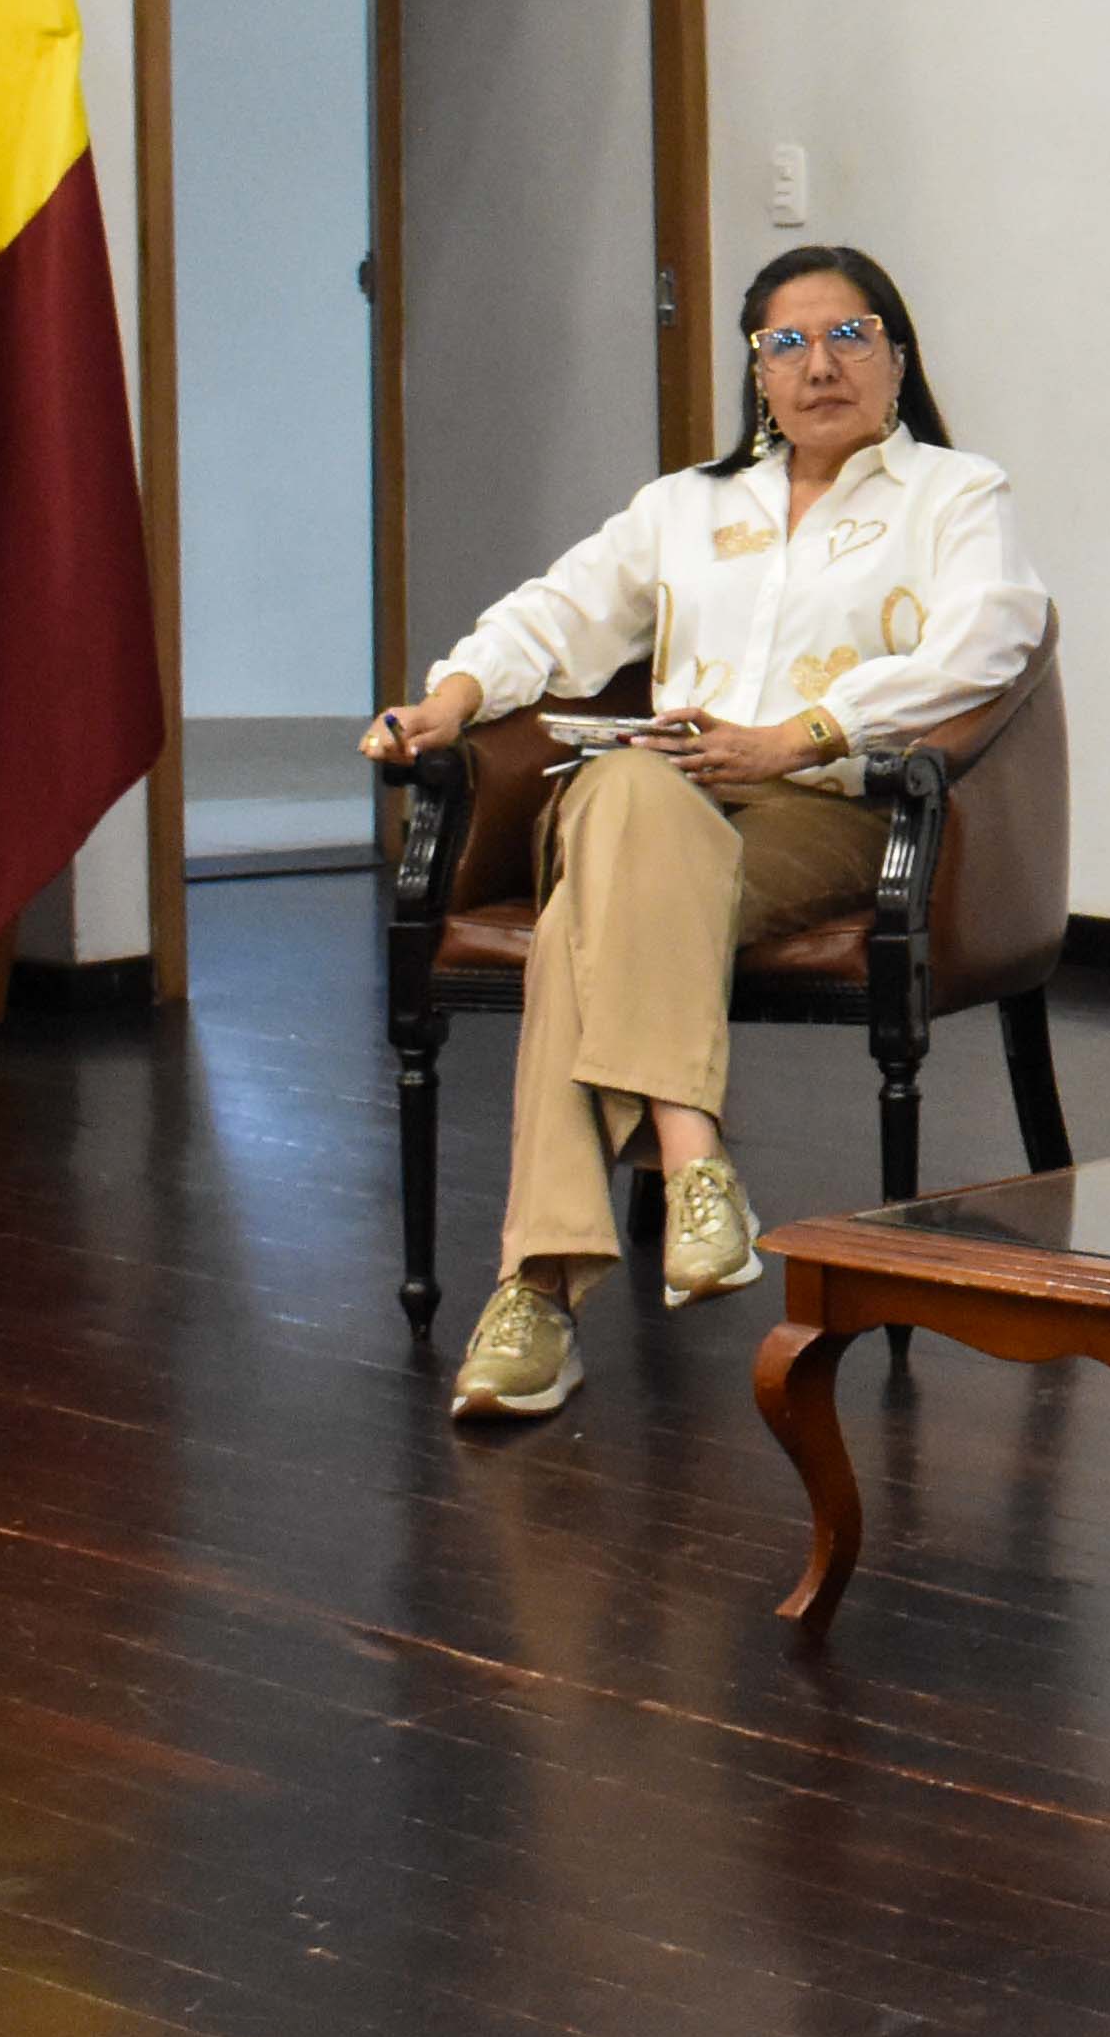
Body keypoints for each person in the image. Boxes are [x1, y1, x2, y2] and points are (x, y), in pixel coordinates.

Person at [370, 249, 1053, 1426]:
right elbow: (557, 613)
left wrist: (798, 736)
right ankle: (693, 1162)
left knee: (580, 925)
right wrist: (454, 696)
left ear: (898, 357)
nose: (820, 363)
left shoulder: (955, 494)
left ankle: (537, 1290)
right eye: (788, 342)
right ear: (756, 373)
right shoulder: (684, 506)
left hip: (822, 807)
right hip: (657, 793)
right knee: (630, 787)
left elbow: (990, 641)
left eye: (850, 334)